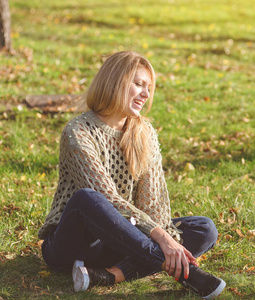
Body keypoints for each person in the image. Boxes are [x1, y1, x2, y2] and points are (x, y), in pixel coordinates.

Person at [38, 50, 226, 299]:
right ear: (115, 82)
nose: (146, 95)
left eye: (148, 88)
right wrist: (164, 241)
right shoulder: (78, 132)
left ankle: (109, 275)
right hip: (73, 245)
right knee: (88, 198)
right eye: (138, 84)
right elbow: (108, 199)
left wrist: (166, 237)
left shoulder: (144, 133)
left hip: (119, 241)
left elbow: (153, 204)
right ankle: (184, 273)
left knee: (205, 229)